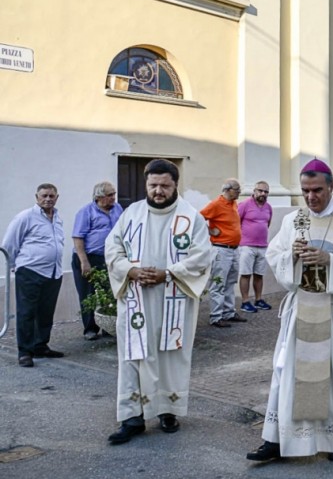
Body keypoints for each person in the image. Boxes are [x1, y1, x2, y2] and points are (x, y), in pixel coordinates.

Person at [247, 159, 333, 463]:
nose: (311, 197)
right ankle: (276, 439)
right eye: (305, 191)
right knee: (285, 372)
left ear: (331, 186)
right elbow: (275, 254)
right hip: (300, 308)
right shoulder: (295, 220)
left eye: (317, 190)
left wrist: (330, 260)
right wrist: (290, 255)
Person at [104, 159, 212, 444]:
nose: (158, 191)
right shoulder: (132, 213)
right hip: (136, 298)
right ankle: (132, 417)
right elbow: (112, 247)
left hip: (172, 300)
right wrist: (131, 270)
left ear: (176, 184)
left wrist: (168, 273)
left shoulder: (191, 218)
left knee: (170, 356)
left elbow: (202, 256)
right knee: (133, 357)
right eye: (153, 185)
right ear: (146, 184)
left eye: (165, 185)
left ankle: (167, 411)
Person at [3, 183, 66, 367]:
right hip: (30, 272)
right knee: (27, 313)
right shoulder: (25, 217)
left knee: (46, 312)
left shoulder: (57, 217)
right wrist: (16, 266)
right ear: (36, 197)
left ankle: (40, 346)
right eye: (44, 196)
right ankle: (25, 352)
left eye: (51, 196)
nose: (48, 199)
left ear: (57, 197)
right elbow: (9, 244)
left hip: (53, 272)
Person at [71, 181, 124, 340]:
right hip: (88, 257)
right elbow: (78, 237)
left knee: (109, 291)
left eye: (114, 194)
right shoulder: (86, 212)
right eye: (109, 195)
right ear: (99, 197)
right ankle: (90, 329)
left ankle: (107, 326)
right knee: (88, 293)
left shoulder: (118, 208)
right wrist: (84, 261)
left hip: (110, 257)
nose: (113, 197)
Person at [200, 179, 247, 327]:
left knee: (230, 282)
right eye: (237, 189)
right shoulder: (216, 204)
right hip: (221, 250)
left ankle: (228, 312)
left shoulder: (233, 204)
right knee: (218, 283)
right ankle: (216, 316)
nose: (239, 192)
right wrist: (209, 230)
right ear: (227, 190)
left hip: (233, 249)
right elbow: (198, 218)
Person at [237, 181, 273, 314]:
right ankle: (245, 302)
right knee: (245, 274)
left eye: (266, 192)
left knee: (259, 274)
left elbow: (267, 224)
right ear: (254, 191)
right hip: (246, 246)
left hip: (262, 245)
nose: (263, 193)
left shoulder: (268, 207)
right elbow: (236, 222)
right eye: (260, 190)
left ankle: (258, 300)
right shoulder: (244, 205)